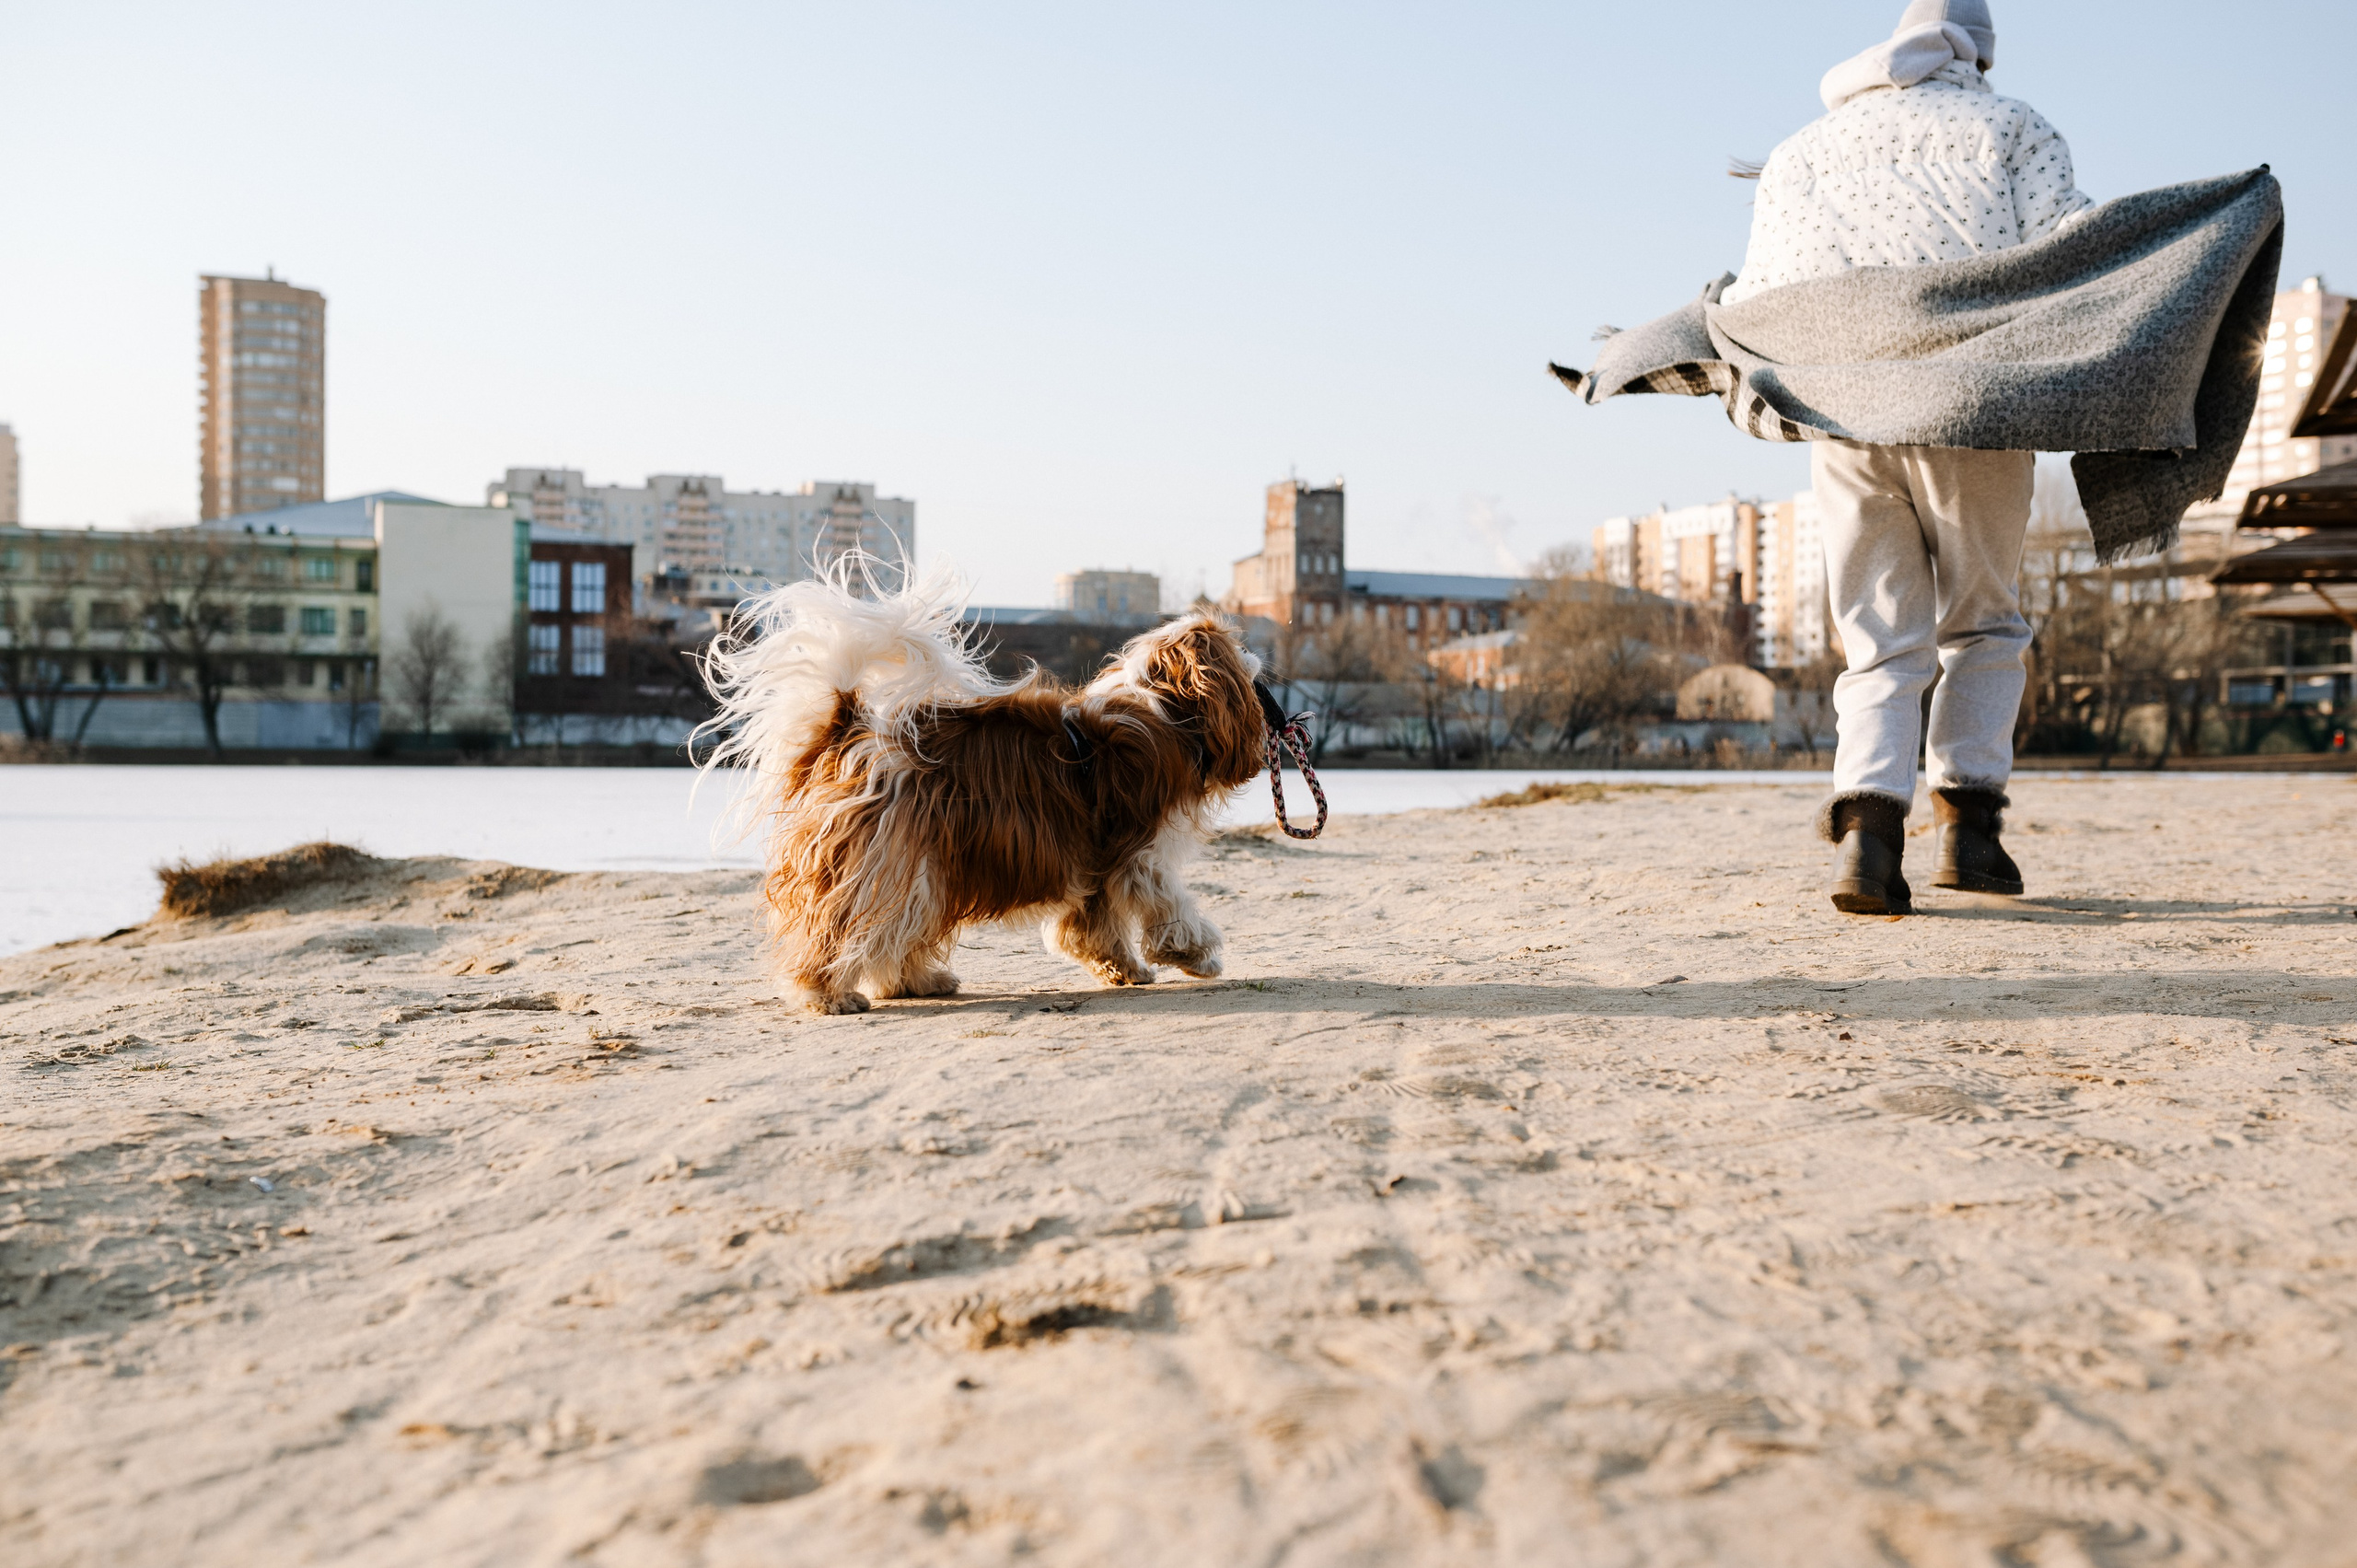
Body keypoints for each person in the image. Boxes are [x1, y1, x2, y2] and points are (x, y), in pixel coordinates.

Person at [1724, 0, 2090, 915]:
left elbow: (1763, 296)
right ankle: (1969, 833)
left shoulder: (1799, 152)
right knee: (1983, 623)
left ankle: (1868, 841)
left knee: (1877, 640)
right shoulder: (2010, 126)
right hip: (1975, 403)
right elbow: (2078, 253)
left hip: (1844, 412)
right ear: (1977, 53)